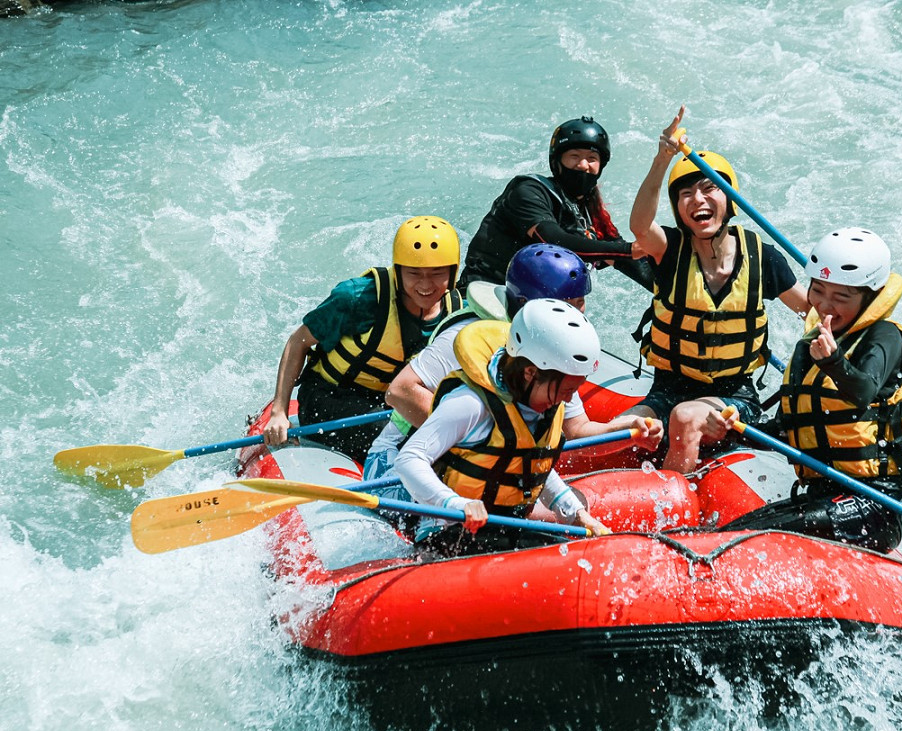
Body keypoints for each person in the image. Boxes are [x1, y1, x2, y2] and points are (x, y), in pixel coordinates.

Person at [362, 243, 662, 484]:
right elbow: (400, 391)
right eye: (570, 306)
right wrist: (485, 442)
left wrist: (627, 430)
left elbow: (578, 429)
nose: (580, 317)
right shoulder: (469, 337)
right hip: (403, 458)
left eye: (581, 304)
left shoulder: (552, 354)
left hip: (487, 466)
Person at [624, 107, 809, 474]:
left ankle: (673, 518)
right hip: (668, 388)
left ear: (729, 200)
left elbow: (811, 312)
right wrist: (663, 159)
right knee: (625, 430)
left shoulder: (764, 259)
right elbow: (640, 227)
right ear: (679, 209)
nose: (698, 199)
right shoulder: (672, 250)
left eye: (709, 188)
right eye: (686, 194)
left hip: (734, 397)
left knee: (686, 416)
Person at [722, 228, 902, 553]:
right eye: (818, 290)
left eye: (841, 297)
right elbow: (786, 430)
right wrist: (733, 430)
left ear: (871, 295)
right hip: (821, 496)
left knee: (747, 540)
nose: (825, 306)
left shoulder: (885, 337)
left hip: (876, 502)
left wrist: (835, 362)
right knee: (732, 533)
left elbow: (863, 390)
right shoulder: (809, 347)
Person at [394, 300, 612, 557]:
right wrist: (455, 504)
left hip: (501, 531)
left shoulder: (539, 406)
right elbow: (409, 459)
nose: (567, 400)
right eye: (565, 390)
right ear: (530, 372)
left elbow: (528, 465)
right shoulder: (470, 404)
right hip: (448, 534)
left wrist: (576, 513)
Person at [263, 216, 463, 462]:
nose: (425, 285)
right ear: (398, 271)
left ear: (453, 273)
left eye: (436, 274)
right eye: (414, 273)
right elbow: (298, 342)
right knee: (400, 437)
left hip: (387, 403)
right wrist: (279, 411)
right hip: (327, 398)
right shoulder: (359, 298)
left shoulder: (455, 313)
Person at [457, 116, 654, 291]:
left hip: (532, 301)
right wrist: (628, 250)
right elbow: (552, 239)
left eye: (592, 158)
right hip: (485, 292)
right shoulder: (527, 191)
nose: (584, 165)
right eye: (574, 156)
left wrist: (671, 292)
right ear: (557, 162)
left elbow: (626, 260)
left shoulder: (587, 213)